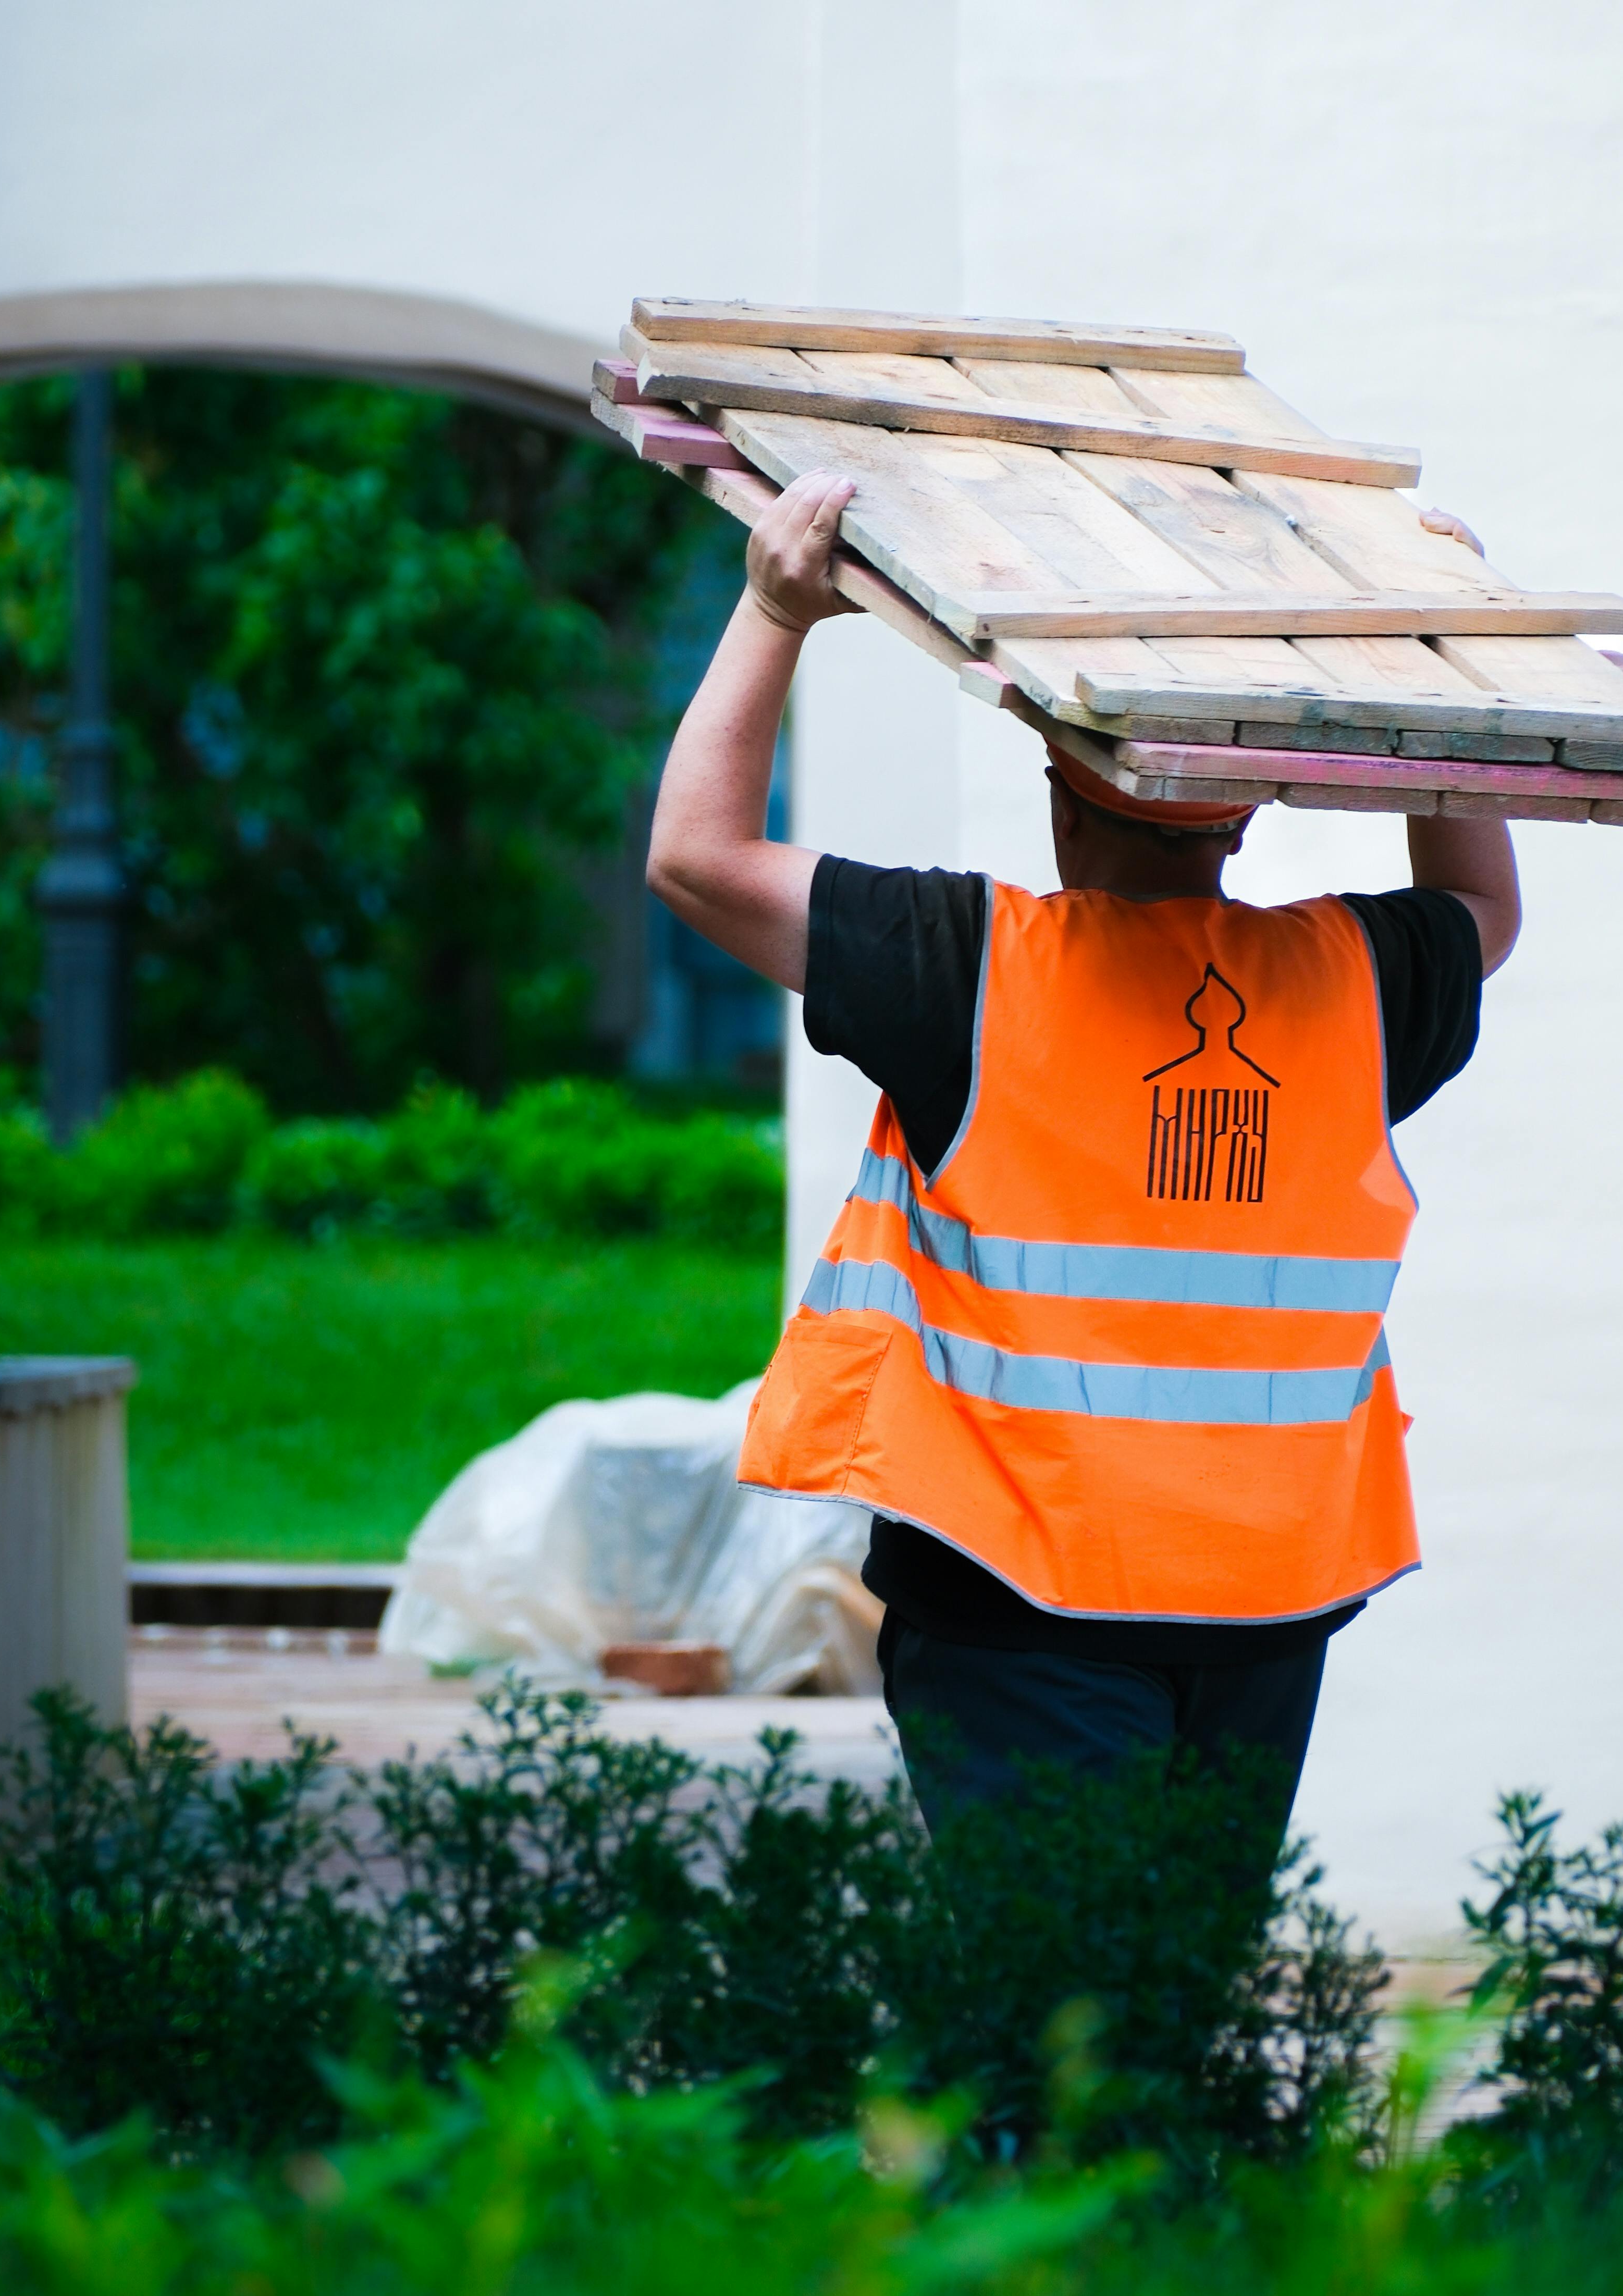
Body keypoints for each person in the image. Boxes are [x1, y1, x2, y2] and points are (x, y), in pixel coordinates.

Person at [648, 470, 1520, 1848]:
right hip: (1266, 1608)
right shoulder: (1355, 982)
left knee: (1050, 2025)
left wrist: (773, 608)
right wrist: (1441, 654)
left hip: (1013, 1604)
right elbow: (1478, 904)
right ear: (1246, 818)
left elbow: (697, 859)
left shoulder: (967, 971)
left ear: (1060, 787)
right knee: (1169, 2016)